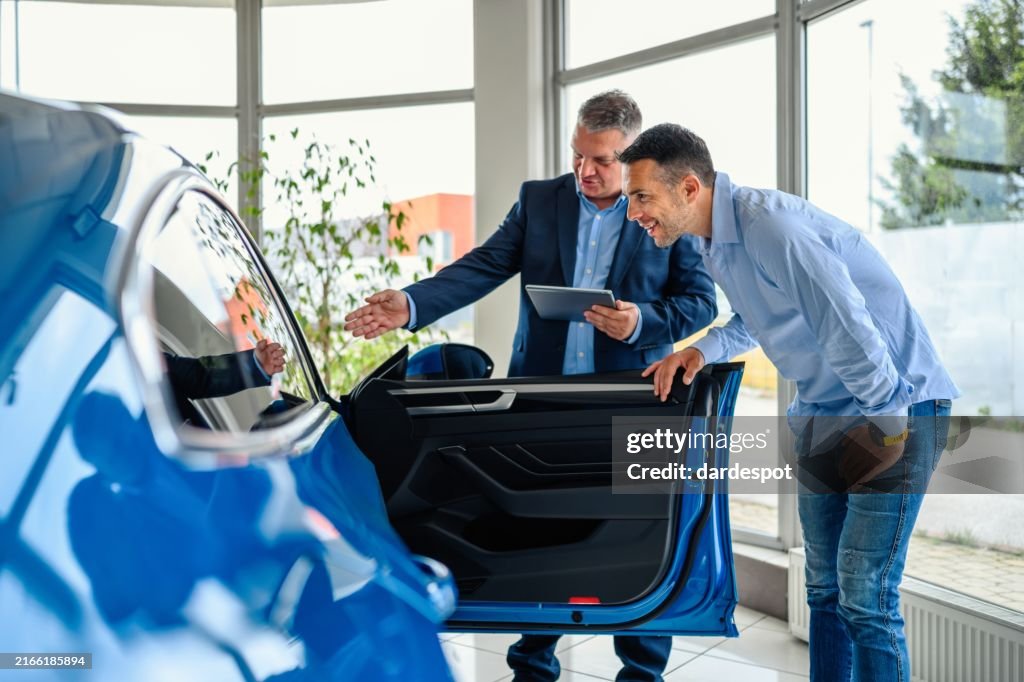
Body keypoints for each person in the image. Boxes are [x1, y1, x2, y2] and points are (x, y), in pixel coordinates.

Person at [346, 92, 717, 681]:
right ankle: (532, 666)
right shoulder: (540, 200)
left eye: (602, 160)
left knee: (638, 534)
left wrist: (641, 322)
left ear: (633, 155)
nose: (584, 171)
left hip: (631, 401)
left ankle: (642, 673)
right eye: (577, 155)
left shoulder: (662, 208)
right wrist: (411, 304)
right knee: (538, 534)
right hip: (544, 405)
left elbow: (699, 301)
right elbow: (483, 265)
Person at [618, 123, 959, 682]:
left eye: (640, 196)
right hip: (825, 413)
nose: (632, 212)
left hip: (893, 406)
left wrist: (890, 429)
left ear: (688, 188)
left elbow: (846, 325)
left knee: (866, 597)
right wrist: (702, 350)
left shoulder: (770, 228)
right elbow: (755, 318)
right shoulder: (713, 242)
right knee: (823, 589)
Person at [164, 338, 286, 425]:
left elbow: (200, 373)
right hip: (206, 451)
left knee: (281, 413)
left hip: (212, 450)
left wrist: (254, 365)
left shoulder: (153, 367)